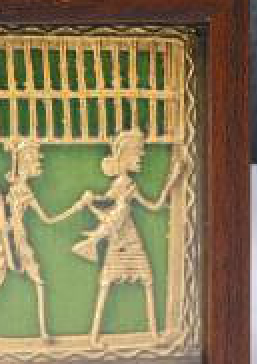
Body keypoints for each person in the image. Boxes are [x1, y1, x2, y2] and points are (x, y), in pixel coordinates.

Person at [0, 139, 89, 341]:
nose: (37, 164)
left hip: (16, 238)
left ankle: (41, 333)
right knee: (2, 283)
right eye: (34, 160)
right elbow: (44, 218)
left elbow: (45, 218)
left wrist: (76, 207)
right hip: (10, 238)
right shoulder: (20, 191)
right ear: (25, 163)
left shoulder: (22, 191)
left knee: (28, 282)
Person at [72, 128, 181, 345]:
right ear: (125, 156)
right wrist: (91, 201)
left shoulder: (129, 185)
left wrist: (171, 182)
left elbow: (153, 206)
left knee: (146, 281)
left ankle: (153, 335)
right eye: (137, 153)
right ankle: (94, 338)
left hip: (130, 239)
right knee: (109, 284)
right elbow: (109, 203)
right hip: (119, 239)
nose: (141, 156)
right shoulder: (121, 185)